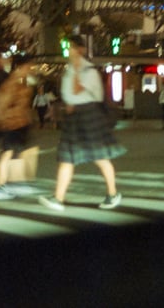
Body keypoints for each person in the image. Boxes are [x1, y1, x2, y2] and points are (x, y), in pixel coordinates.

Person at [39, 35, 126, 211]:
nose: (69, 51)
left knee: (100, 157)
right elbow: (67, 93)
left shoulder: (89, 71)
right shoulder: (69, 70)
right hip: (74, 117)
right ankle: (58, 198)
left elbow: (78, 90)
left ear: (81, 50)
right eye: (68, 48)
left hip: (89, 115)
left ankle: (112, 194)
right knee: (66, 158)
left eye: (72, 48)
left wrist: (77, 73)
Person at [0, 53, 35, 201]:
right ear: (22, 66)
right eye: (29, 66)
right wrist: (5, 120)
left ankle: (15, 184)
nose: (31, 69)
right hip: (11, 123)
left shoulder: (22, 81)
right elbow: (3, 104)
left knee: (16, 154)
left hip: (19, 122)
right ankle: (1, 187)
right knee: (7, 154)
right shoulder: (13, 82)